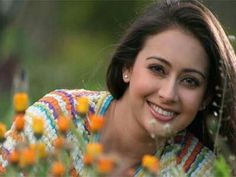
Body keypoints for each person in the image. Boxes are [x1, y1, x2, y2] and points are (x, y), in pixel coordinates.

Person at [1, 0, 236, 176]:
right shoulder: (58, 118)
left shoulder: (197, 170)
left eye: (189, 81)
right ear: (128, 67)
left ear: (205, 97)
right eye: (157, 69)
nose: (168, 94)